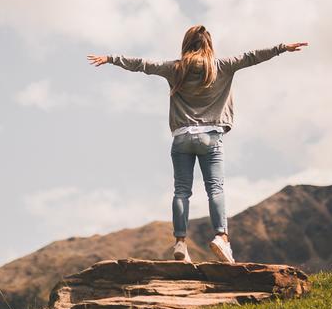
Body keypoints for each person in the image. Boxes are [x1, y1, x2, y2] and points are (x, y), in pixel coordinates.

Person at [87, 25, 307, 264]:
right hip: (211, 137)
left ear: (186, 43)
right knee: (215, 189)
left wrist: (110, 58)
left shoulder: (175, 69)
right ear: (209, 44)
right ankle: (221, 237)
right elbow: (252, 57)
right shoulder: (222, 66)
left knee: (181, 191)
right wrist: (281, 48)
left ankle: (180, 242)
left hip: (182, 138)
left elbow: (142, 64)